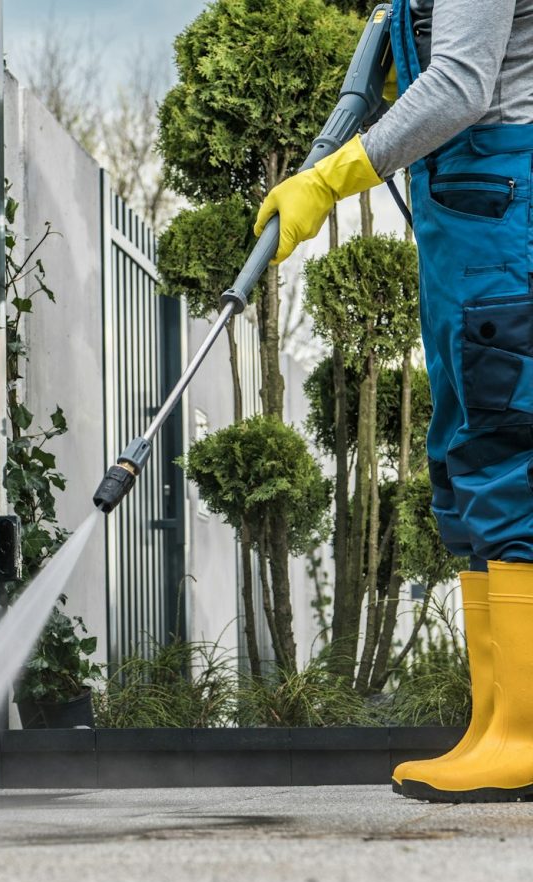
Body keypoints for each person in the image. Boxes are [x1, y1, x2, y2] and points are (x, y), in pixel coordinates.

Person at [254, 0, 533, 801]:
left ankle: (523, 735)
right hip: (468, 218)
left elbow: (461, 86)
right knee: (466, 454)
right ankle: (494, 723)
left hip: (502, 216)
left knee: (507, 448)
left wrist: (330, 178)